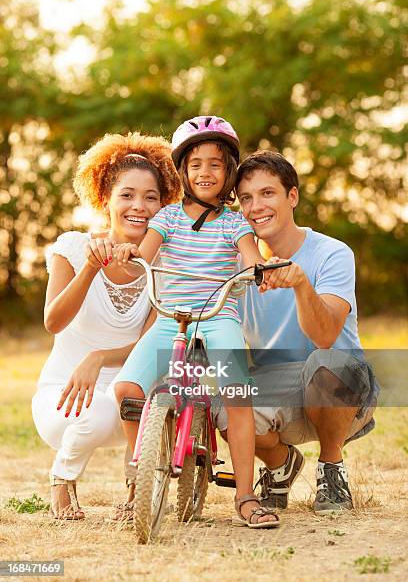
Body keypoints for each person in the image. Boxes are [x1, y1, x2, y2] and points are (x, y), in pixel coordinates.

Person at [111, 116, 279, 528]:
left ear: (229, 172)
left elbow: (251, 255)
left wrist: (261, 268)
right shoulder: (166, 219)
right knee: (127, 388)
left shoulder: (234, 223)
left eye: (216, 164)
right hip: (173, 319)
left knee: (238, 396)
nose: (205, 172)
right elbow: (146, 255)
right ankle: (138, 484)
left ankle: (244, 496)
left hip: (218, 317)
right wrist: (130, 255)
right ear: (183, 171)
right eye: (196, 164)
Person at [214, 150, 378, 515]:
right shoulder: (235, 264)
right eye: (246, 198)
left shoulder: (332, 253)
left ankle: (331, 468)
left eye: (267, 193)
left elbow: (325, 335)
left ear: (292, 196)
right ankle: (280, 464)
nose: (256, 206)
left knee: (328, 361)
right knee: (225, 407)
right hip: (276, 384)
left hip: (339, 386)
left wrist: (302, 284)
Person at [32, 132, 182, 520]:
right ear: (105, 200)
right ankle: (62, 481)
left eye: (152, 198)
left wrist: (100, 357)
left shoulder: (165, 264)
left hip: (129, 398)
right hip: (64, 396)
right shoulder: (71, 247)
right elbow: (54, 321)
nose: (139, 207)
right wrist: (90, 267)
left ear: (163, 205)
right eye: (127, 195)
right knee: (92, 416)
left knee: (120, 405)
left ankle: (136, 488)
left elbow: (152, 340)